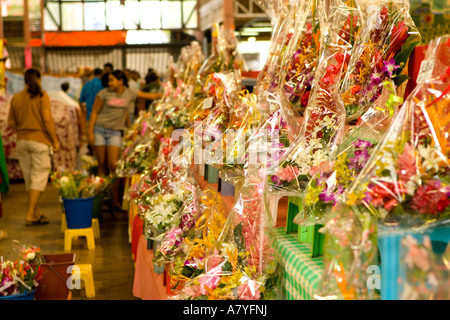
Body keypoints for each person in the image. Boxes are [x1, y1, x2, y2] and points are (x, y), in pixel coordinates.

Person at [87, 70, 163, 209]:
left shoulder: (130, 93)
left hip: (115, 132)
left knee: (114, 165)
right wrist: (90, 133)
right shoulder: (103, 94)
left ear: (121, 81)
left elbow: (151, 96)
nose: (109, 83)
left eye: (112, 80)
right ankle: (98, 198)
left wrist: (166, 92)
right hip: (100, 129)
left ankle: (115, 201)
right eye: (109, 80)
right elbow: (94, 112)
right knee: (102, 164)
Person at [8, 68, 60, 226]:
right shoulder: (42, 96)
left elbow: (11, 122)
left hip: (22, 141)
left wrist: (23, 126)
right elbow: (48, 120)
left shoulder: (16, 98)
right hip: (39, 140)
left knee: (30, 179)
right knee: (39, 177)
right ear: (38, 79)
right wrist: (55, 141)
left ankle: (35, 211)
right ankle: (30, 214)